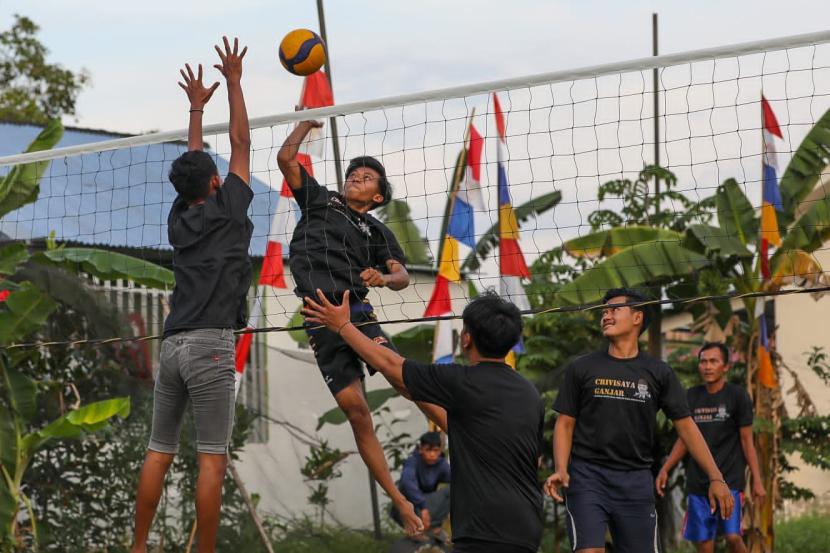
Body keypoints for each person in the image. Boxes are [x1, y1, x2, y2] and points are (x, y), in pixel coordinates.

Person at [276, 118, 438, 536]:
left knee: (402, 377)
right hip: (319, 317)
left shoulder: (378, 230)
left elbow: (401, 275)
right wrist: (303, 126)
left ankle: (467, 430)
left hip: (357, 313)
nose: (355, 178)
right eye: (353, 174)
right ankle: (400, 501)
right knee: (357, 414)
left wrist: (384, 278)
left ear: (378, 194)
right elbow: (285, 159)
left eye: (366, 178)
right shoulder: (321, 200)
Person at [304, 290, 545, 553]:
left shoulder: (461, 381)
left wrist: (342, 326)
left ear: (466, 338)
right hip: (527, 529)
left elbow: (392, 367)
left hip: (484, 532)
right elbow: (530, 458)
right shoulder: (530, 394)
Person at [130, 37, 251, 553]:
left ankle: (136, 547)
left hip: (174, 345)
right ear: (216, 181)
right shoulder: (229, 208)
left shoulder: (179, 218)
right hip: (210, 346)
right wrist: (236, 82)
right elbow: (242, 144)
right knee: (211, 458)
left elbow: (195, 164)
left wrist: (197, 108)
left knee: (159, 451)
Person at [545, 288, 734, 553]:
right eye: (604, 311)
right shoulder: (582, 368)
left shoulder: (659, 372)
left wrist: (716, 477)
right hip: (587, 476)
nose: (606, 315)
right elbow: (565, 424)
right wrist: (562, 469)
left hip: (636, 480)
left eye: (614, 310)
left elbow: (687, 428)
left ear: (637, 318)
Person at [656, 342, 764, 553]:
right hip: (698, 483)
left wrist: (757, 481)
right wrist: (665, 468)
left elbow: (746, 441)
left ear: (725, 367)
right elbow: (685, 439)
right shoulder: (691, 397)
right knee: (704, 544)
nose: (707, 366)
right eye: (703, 361)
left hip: (730, 480)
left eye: (713, 361)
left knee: (733, 536)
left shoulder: (738, 396)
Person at [392, 431, 451, 540]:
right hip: (411, 505)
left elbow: (454, 479)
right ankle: (415, 529)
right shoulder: (412, 462)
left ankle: (434, 528)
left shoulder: (441, 464)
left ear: (440, 451)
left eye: (435, 450)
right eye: (428, 450)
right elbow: (407, 483)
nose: (432, 454)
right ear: (420, 449)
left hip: (427, 504)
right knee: (404, 492)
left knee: (454, 489)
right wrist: (423, 508)